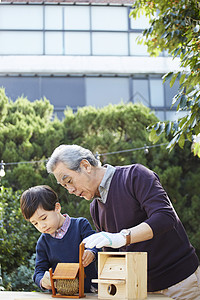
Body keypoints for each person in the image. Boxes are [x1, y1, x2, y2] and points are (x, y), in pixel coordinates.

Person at [46, 144, 200, 300]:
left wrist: (123, 236)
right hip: (139, 289)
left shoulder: (135, 176)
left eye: (69, 181)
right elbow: (114, 257)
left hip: (179, 284)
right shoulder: (95, 208)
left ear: (86, 166)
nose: (70, 190)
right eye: (65, 186)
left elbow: (165, 217)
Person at [20, 185, 98, 293]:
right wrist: (43, 281)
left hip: (89, 291)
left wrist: (92, 252)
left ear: (57, 208)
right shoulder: (43, 242)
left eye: (44, 218)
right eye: (35, 223)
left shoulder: (80, 225)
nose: (41, 226)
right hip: (60, 294)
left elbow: (97, 245)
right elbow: (39, 271)